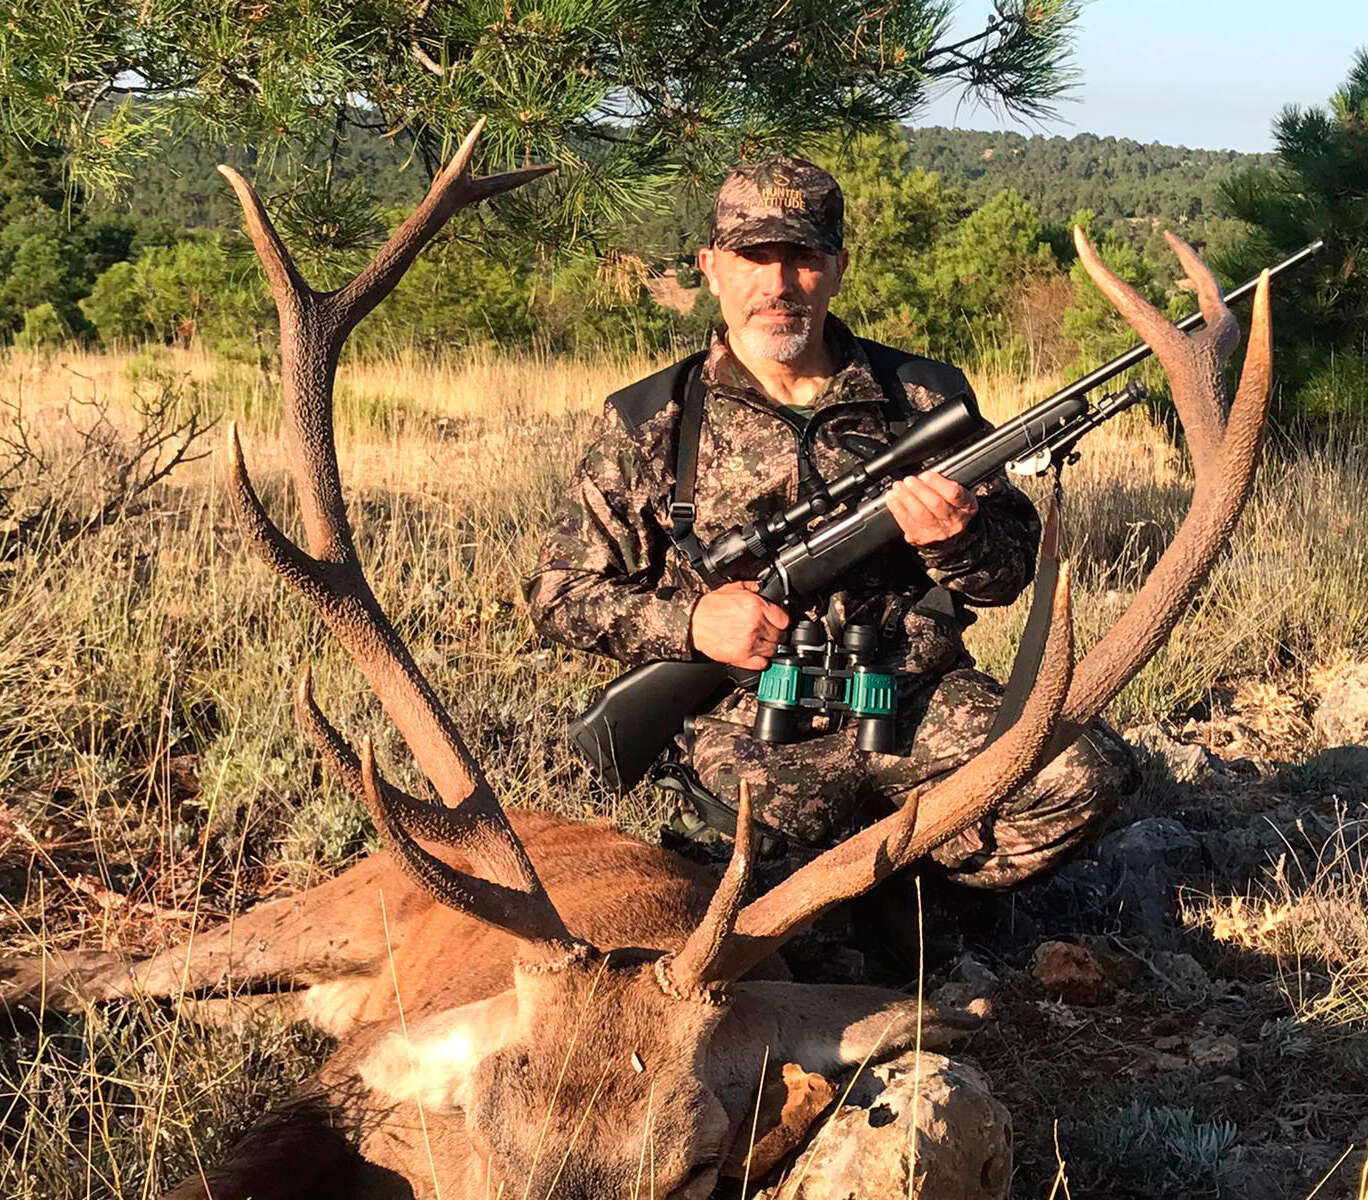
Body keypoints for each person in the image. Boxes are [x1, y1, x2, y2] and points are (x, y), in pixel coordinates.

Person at [524, 155, 1136, 893]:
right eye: (755, 258)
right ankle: (867, 896)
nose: (778, 286)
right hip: (748, 721)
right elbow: (556, 592)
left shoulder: (923, 398)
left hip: (909, 697)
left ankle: (922, 894)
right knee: (730, 910)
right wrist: (691, 626)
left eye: (804, 259)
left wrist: (956, 538)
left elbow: (1009, 573)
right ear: (711, 267)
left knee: (1082, 774)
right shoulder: (651, 420)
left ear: (838, 268)